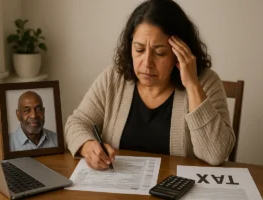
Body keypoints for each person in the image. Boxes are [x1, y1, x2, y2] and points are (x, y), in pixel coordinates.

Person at [65, 0, 235, 169]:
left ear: (179, 52)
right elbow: (77, 122)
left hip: (178, 191)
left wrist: (192, 85)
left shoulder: (205, 82)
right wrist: (87, 146)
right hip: (120, 191)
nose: (147, 63)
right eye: (139, 50)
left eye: (160, 53)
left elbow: (215, 154)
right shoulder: (114, 78)